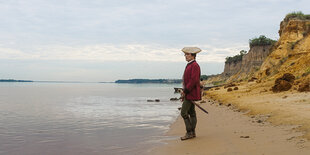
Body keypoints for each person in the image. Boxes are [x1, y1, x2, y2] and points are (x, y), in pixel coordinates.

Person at [180, 47, 202, 141]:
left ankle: (189, 132)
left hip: (191, 92)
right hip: (189, 92)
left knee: (184, 113)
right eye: (185, 54)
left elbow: (193, 80)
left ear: (192, 55)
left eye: (187, 54)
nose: (185, 56)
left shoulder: (195, 65)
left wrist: (185, 91)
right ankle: (192, 133)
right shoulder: (190, 65)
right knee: (191, 113)